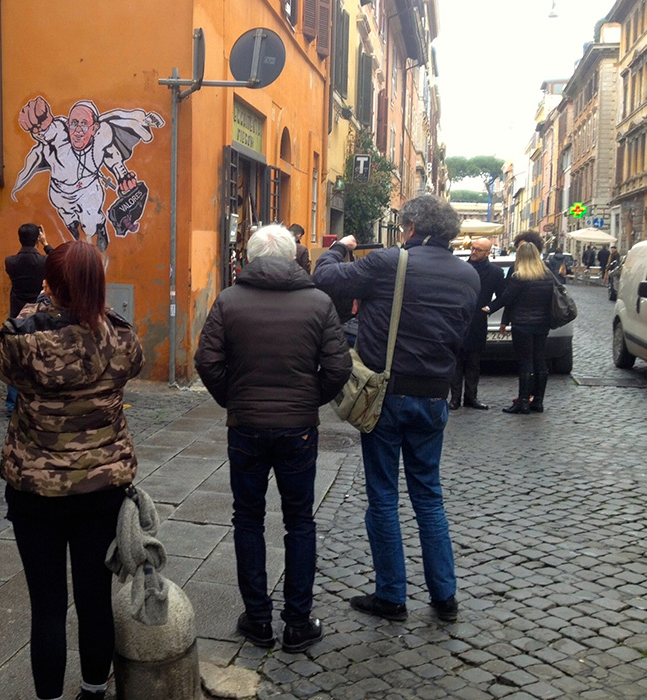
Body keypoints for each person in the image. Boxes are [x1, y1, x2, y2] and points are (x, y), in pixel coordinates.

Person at [311, 194, 479, 623]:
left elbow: (327, 278)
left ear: (411, 227)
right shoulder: (468, 275)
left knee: (383, 497)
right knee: (429, 497)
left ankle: (391, 596)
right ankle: (445, 597)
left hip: (386, 396)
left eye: (404, 227)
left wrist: (338, 247)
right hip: (435, 396)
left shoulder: (390, 262)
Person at [0, 241, 144, 700]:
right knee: (96, 602)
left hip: (36, 492)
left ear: (51, 287)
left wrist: (40, 308)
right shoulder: (122, 338)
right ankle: (94, 691)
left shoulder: (26, 343)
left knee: (48, 608)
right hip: (101, 490)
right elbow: (130, 364)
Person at [195, 224, 351, 653]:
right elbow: (338, 368)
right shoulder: (318, 302)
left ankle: (259, 620)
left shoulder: (229, 300)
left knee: (248, 518)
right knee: (299, 520)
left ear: (250, 257)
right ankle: (298, 622)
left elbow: (206, 359)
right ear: (292, 256)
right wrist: (307, 401)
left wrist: (234, 397)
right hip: (297, 427)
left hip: (246, 425)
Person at [13, 97, 165, 251]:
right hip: (60, 192)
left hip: (88, 190)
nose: (78, 130)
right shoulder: (59, 133)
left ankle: (99, 230)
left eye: (84, 125)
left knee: (90, 223)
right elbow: (48, 131)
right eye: (74, 124)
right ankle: (77, 237)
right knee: (69, 220)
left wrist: (123, 177)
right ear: (67, 125)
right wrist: (40, 125)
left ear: (95, 128)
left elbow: (112, 158)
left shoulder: (102, 138)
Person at [484, 241, 554, 415]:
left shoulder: (519, 277)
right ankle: (538, 401)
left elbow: (506, 298)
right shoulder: (547, 276)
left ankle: (523, 402)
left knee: (525, 363)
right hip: (542, 324)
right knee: (539, 360)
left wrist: (488, 308)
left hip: (522, 324)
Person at [450, 238, 505, 410]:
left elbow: (503, 296)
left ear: (488, 253)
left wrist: (488, 309)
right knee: (457, 362)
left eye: (478, 250)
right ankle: (455, 398)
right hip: (458, 320)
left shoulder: (495, 273)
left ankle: (471, 397)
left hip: (478, 322)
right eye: (473, 248)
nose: (473, 252)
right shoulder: (460, 268)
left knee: (474, 363)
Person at [4, 223, 54, 413]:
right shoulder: (43, 262)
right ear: (37, 239)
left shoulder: (10, 262)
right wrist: (46, 243)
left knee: (16, 359)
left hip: (17, 315)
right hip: (38, 314)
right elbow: (59, 260)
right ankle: (38, 399)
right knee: (39, 356)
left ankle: (12, 403)